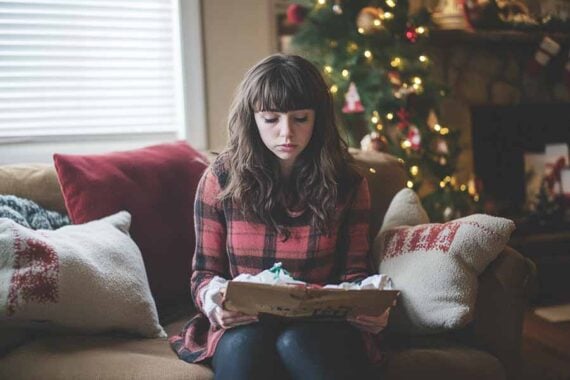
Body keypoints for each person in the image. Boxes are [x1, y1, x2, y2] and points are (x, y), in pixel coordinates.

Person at [169, 53, 390, 380]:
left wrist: (370, 305)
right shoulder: (220, 179)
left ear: (318, 119)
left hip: (320, 326)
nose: (286, 133)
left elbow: (355, 271)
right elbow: (204, 272)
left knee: (296, 342)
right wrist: (215, 303)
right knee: (245, 348)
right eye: (271, 119)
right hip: (248, 322)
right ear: (252, 118)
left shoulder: (348, 184)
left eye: (300, 118)